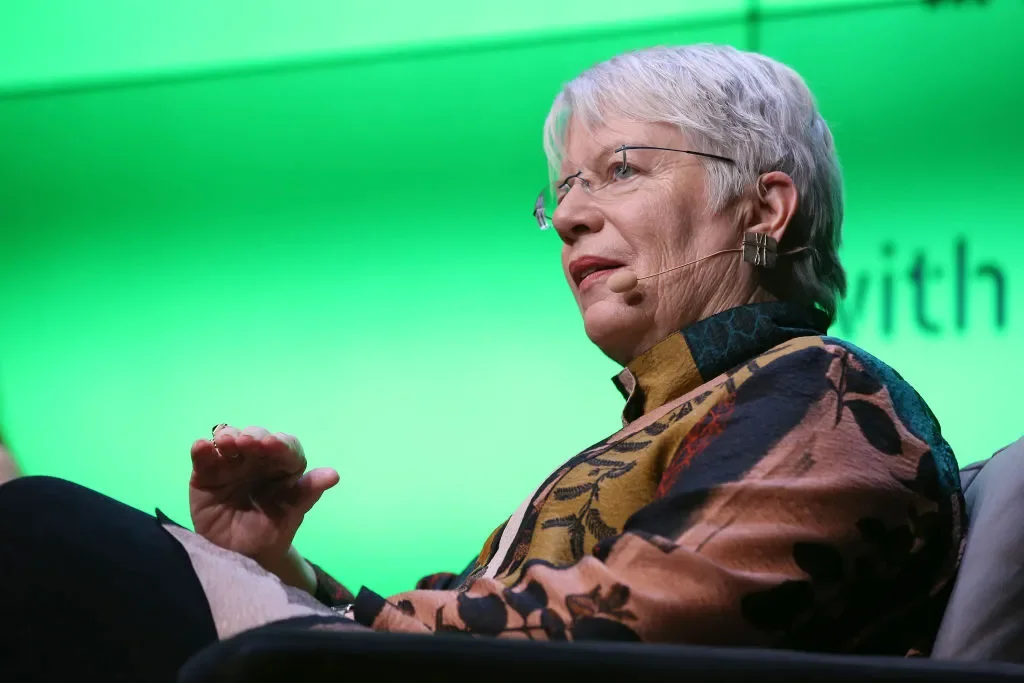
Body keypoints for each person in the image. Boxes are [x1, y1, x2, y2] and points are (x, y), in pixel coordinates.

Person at [0, 44, 964, 682]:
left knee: (37, 526)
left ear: (764, 207)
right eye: (564, 191)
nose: (575, 214)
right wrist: (282, 565)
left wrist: (327, 618)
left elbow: (635, 626)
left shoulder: (831, 397)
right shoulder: (680, 416)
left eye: (620, 169)